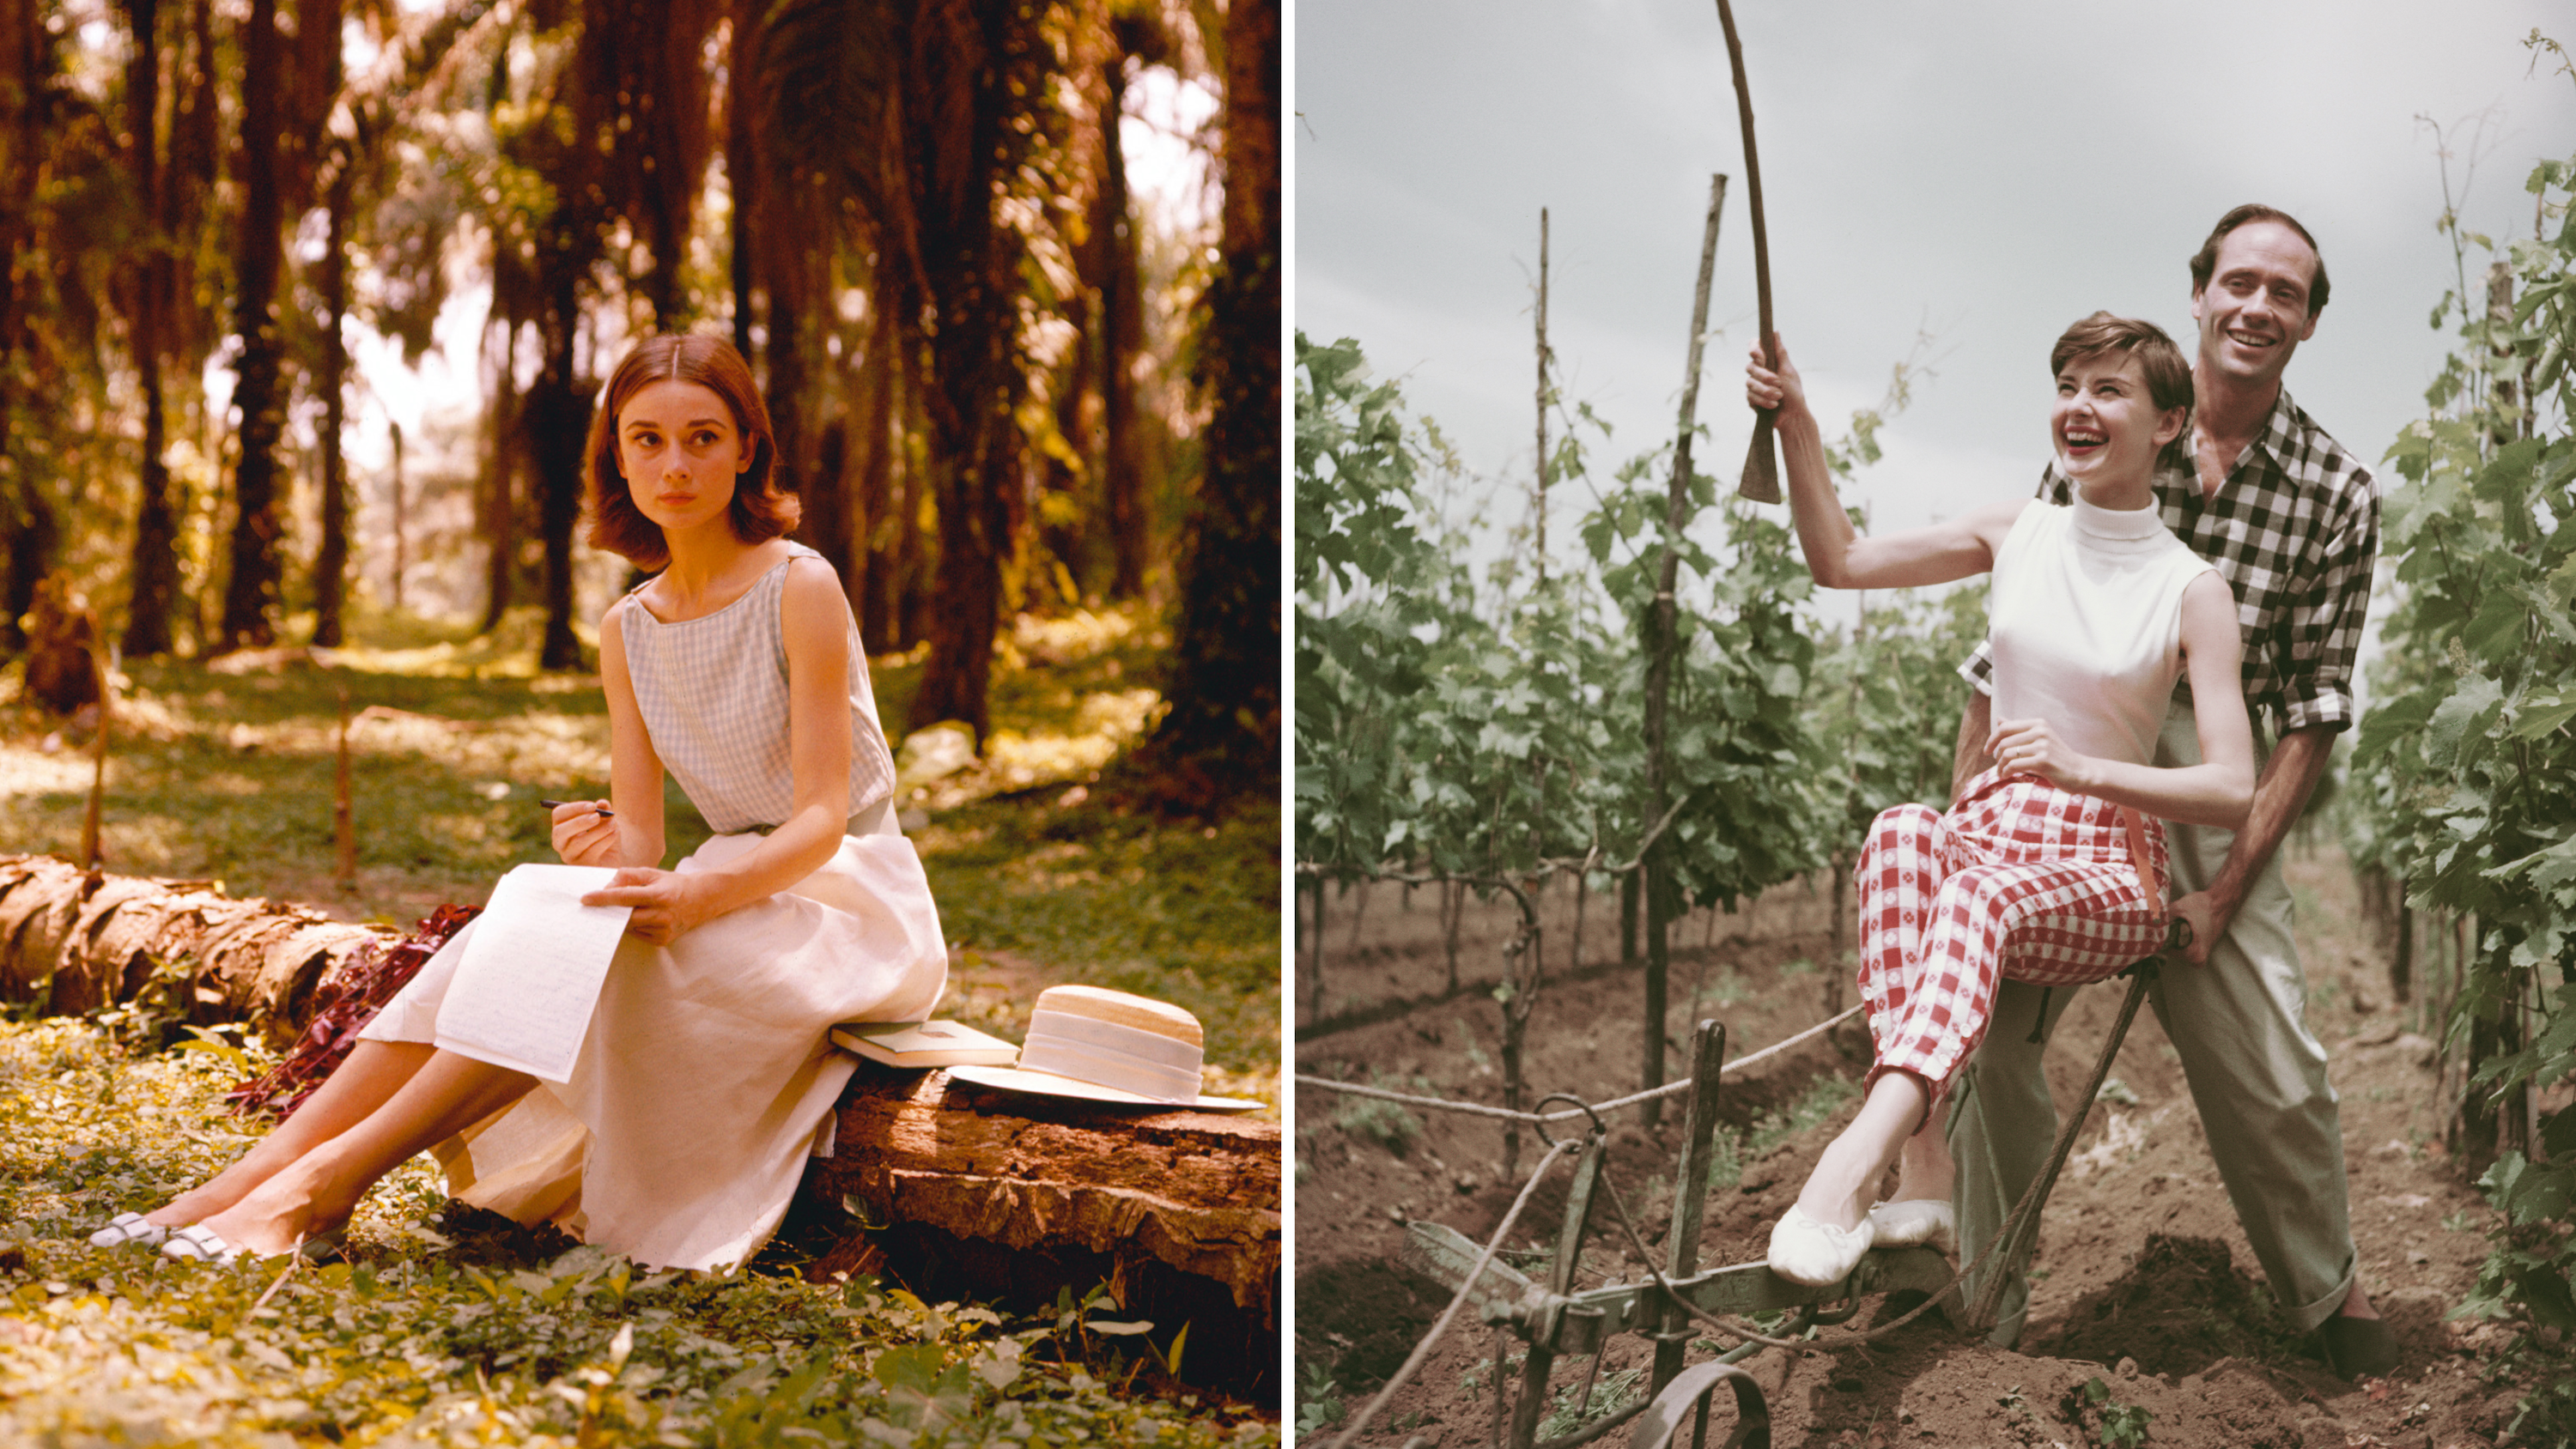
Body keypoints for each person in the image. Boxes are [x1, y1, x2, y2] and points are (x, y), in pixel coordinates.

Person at [85, 333, 947, 1271]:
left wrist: (698, 897)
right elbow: (648, 842)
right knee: (510, 927)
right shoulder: (631, 626)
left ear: (748, 448)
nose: (675, 463)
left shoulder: (800, 582)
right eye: (647, 440)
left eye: (703, 437)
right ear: (616, 455)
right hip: (726, 881)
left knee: (591, 965)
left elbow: (823, 817)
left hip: (848, 901)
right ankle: (248, 1177)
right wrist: (604, 846)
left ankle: (321, 1187)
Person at [1944, 206, 2391, 1379]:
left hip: (2206, 780)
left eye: (2285, 292)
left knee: (2271, 1058)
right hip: (2074, 749)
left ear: (2307, 322)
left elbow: (2311, 716)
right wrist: (1963, 826)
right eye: (2238, 282)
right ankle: (1980, 1305)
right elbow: (2009, 653)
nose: (2257, 306)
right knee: (1991, 1039)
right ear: (2198, 296)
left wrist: (2230, 889)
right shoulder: (2110, 420)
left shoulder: (2338, 491)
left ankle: (2324, 1294)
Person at [1742, 313, 2256, 1291]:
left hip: (2102, 862)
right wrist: (1799, 422)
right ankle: (1928, 1161)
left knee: (1975, 900)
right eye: (2068, 384)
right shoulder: (2017, 529)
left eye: (2110, 391)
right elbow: (1838, 560)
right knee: (1899, 830)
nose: (2079, 406)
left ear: (2168, 424)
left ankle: (1848, 1167)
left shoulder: (2192, 589)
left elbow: (2232, 788)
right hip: (1994, 830)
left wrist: (2080, 767)